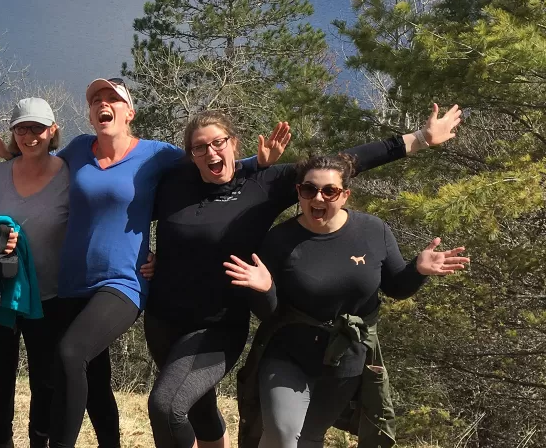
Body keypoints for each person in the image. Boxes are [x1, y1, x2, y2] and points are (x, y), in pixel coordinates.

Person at [139, 105, 462, 448]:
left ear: (235, 143)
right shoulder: (174, 185)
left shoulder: (264, 184)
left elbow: (342, 164)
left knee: (166, 406)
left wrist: (421, 139)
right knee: (197, 406)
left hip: (217, 324)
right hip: (162, 319)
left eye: (219, 142)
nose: (210, 152)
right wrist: (142, 255)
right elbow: (120, 211)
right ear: (190, 155)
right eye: (199, 148)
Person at [225, 153, 469, 448]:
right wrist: (264, 290)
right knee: (283, 434)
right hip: (288, 355)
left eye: (329, 191)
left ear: (345, 195)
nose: (318, 197)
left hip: (347, 358)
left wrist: (417, 270)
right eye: (308, 189)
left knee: (310, 437)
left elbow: (396, 287)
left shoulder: (372, 231)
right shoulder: (280, 240)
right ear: (299, 192)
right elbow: (270, 313)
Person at [0, 98, 68, 448]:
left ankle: (40, 440)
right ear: (13, 133)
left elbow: (93, 222)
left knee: (45, 377)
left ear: (52, 130)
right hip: (2, 292)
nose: (29, 136)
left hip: (49, 295)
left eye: (38, 128)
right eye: (21, 128)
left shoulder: (68, 176)